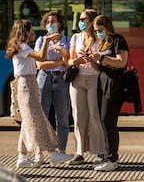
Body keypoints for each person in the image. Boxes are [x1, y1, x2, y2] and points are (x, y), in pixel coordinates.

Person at [5, 20, 73, 168]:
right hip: (26, 85)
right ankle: (52, 153)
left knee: (28, 121)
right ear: (26, 31)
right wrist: (47, 40)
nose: (33, 31)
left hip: (29, 84)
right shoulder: (22, 46)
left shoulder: (22, 46)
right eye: (30, 29)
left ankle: (22, 157)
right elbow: (41, 58)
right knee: (39, 119)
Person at [67, 9, 106, 166]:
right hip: (77, 80)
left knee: (94, 117)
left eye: (84, 19)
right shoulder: (76, 37)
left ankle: (100, 152)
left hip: (94, 79)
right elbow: (69, 61)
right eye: (80, 19)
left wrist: (91, 60)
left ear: (92, 21)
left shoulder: (100, 38)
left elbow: (101, 67)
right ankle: (79, 152)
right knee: (78, 117)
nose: (81, 22)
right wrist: (76, 61)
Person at [90, 15, 129, 171]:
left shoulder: (118, 40)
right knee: (102, 120)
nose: (98, 33)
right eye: (95, 31)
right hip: (102, 80)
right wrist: (92, 60)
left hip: (114, 82)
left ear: (107, 27)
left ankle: (112, 159)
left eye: (100, 30)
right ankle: (107, 156)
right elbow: (99, 68)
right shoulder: (102, 43)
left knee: (108, 120)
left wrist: (103, 57)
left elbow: (122, 62)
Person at [35, 11, 71, 155]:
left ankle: (61, 151)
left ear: (60, 24)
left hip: (62, 80)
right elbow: (40, 65)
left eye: (53, 21)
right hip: (44, 78)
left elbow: (68, 62)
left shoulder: (67, 40)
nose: (50, 24)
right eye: (48, 22)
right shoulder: (40, 41)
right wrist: (59, 61)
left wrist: (62, 55)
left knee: (62, 117)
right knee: (41, 116)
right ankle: (40, 151)